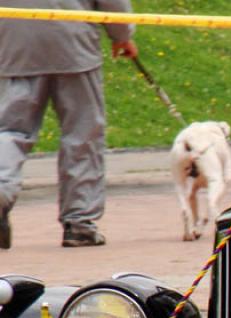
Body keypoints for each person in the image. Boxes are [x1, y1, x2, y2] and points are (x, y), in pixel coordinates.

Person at [0, 0, 138, 249]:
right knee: (83, 133)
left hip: (15, 42)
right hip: (73, 42)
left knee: (10, 130)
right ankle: (79, 222)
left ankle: (1, 187)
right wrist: (121, 34)